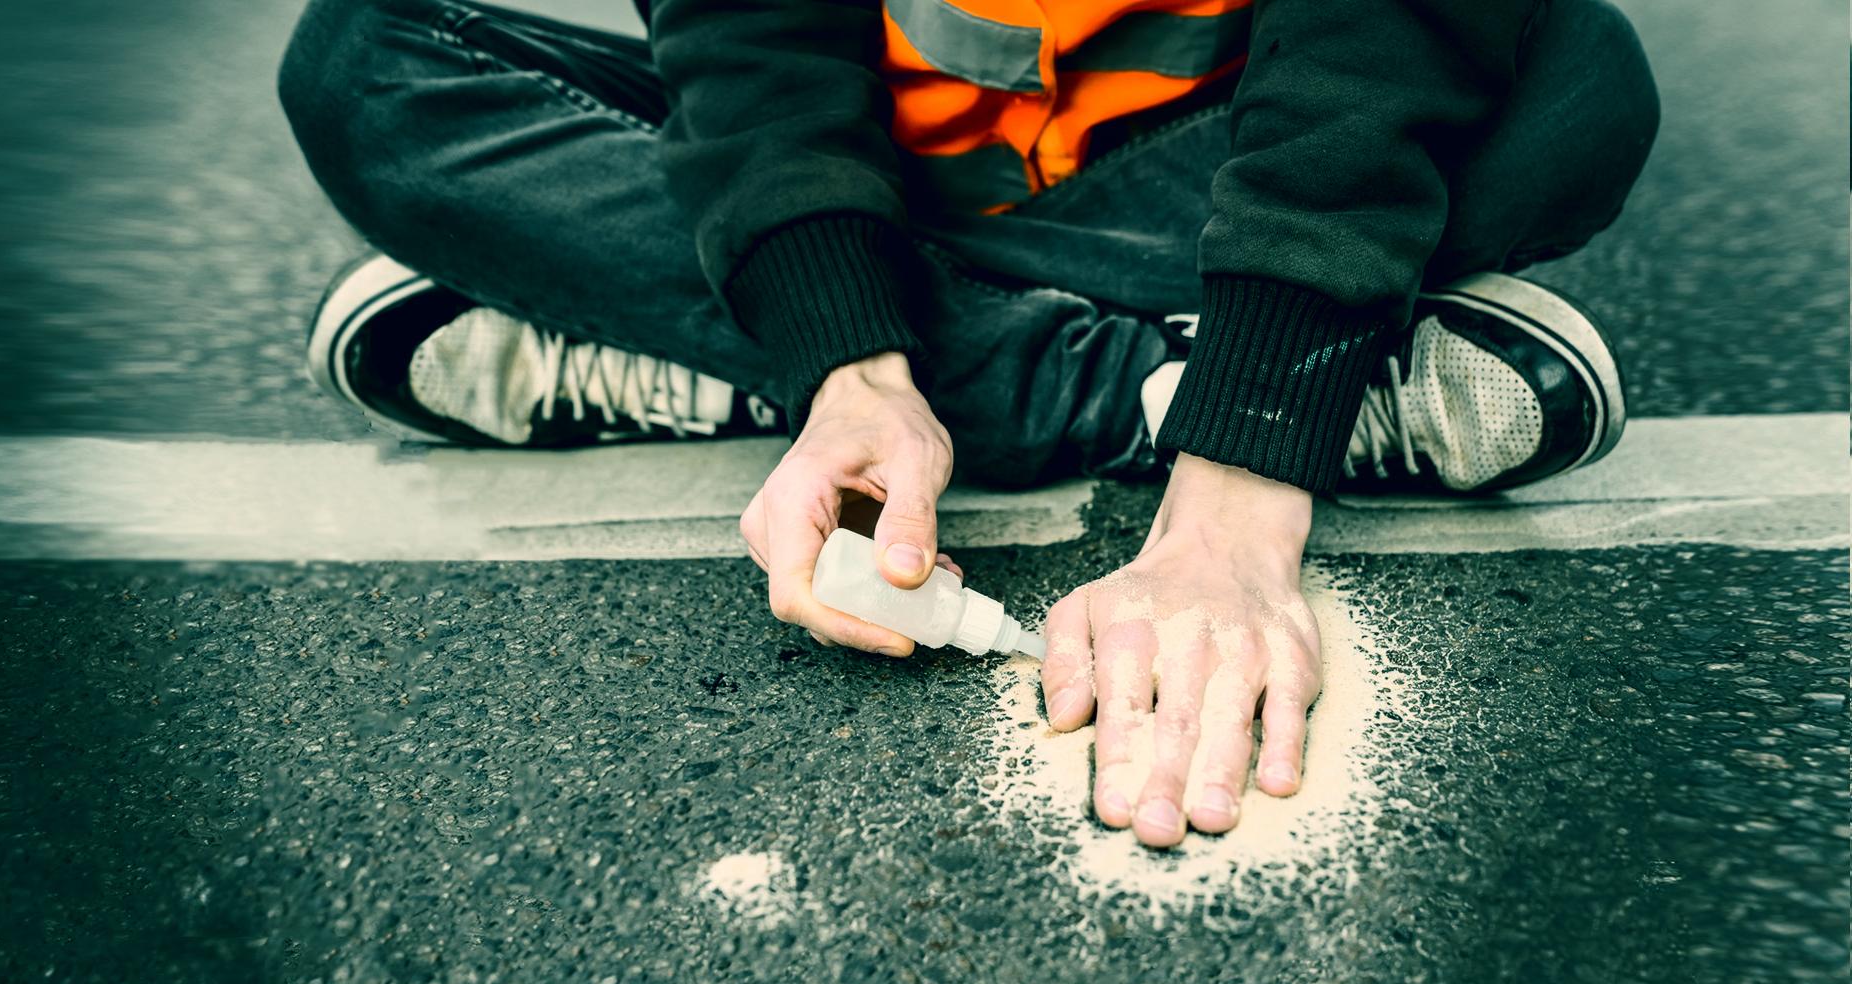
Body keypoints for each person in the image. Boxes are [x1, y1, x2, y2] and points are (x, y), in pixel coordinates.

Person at [277, 0, 1658, 848]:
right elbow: (745, 32)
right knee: (367, 58)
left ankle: (715, 342)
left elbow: (1381, 46)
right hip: (879, 171)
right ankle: (1143, 386)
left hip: (1195, 171)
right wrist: (848, 366)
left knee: (1574, 79)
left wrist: (1240, 489)